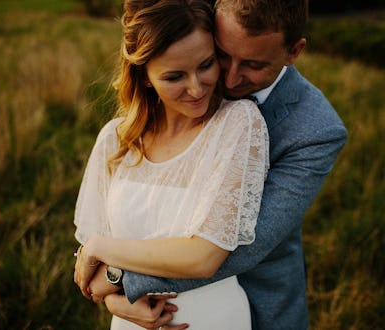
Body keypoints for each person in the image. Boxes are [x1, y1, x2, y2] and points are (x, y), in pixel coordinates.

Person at [101, 0, 348, 329]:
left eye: (253, 65)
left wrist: (120, 281)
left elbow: (243, 246)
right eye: (222, 54)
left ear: (294, 52)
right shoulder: (194, 79)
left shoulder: (315, 130)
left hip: (259, 308)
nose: (229, 80)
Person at [73, 0, 269, 329]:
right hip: (132, 320)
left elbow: (204, 257)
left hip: (212, 318)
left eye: (206, 65)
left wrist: (101, 249)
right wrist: (113, 301)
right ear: (145, 76)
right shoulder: (114, 141)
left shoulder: (238, 125)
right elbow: (89, 279)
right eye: (174, 76)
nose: (196, 87)